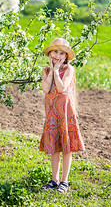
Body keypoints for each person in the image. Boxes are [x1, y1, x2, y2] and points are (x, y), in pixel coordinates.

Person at [39, 38, 85, 194]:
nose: (57, 56)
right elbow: (46, 89)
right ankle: (54, 179)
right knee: (54, 149)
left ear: (65, 57)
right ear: (49, 53)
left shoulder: (69, 70)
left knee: (66, 148)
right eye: (55, 52)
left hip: (65, 115)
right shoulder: (45, 71)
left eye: (61, 53)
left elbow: (61, 87)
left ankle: (64, 181)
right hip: (52, 115)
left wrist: (57, 71)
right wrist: (52, 71)